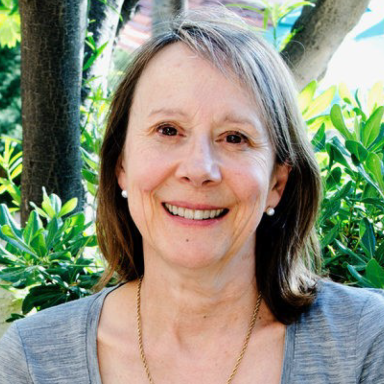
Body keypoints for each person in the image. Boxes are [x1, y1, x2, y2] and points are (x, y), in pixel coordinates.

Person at [1, 7, 384, 384]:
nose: (199, 169)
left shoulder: (365, 343)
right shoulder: (33, 361)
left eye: (235, 137)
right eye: (168, 130)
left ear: (276, 184)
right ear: (121, 166)